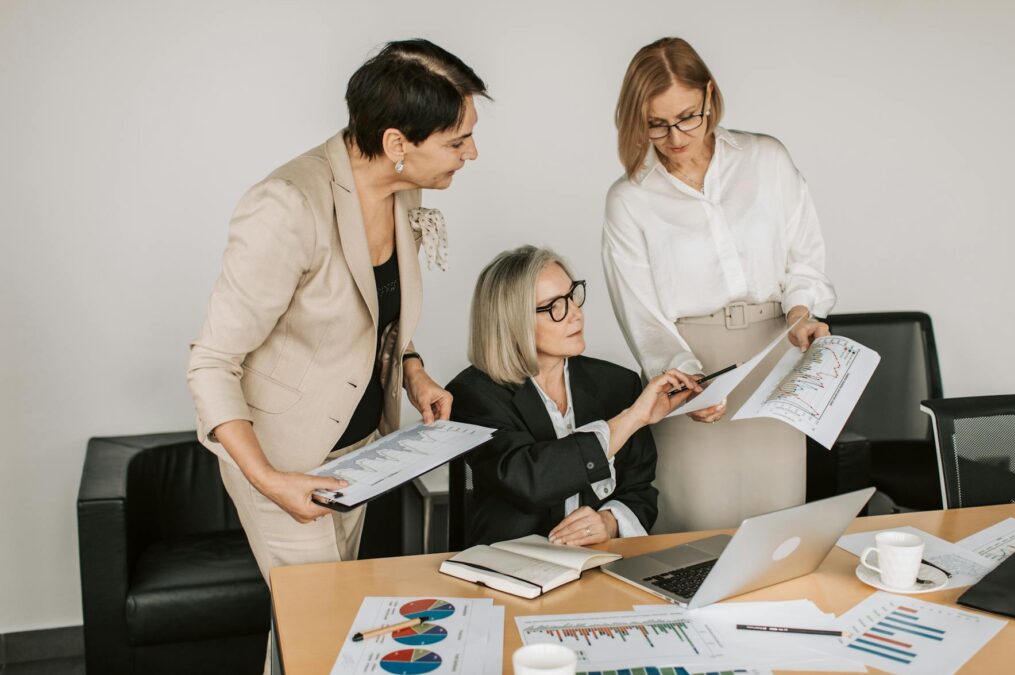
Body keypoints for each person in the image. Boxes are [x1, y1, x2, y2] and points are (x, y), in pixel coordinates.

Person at [186, 39, 486, 650]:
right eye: (457, 141)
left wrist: (413, 369)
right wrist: (271, 479)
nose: (472, 153)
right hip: (285, 462)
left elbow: (373, 313)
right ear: (398, 143)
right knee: (323, 630)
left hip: (358, 455)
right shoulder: (287, 205)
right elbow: (212, 363)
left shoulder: (403, 186)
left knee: (323, 629)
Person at [602, 37, 836, 533]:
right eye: (656, 124)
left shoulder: (766, 159)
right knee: (695, 529)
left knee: (778, 526)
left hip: (777, 354)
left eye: (687, 116)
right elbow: (640, 315)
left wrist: (802, 315)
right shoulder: (630, 199)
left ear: (710, 97)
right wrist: (687, 378)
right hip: (692, 370)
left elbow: (805, 259)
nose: (675, 136)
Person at [446, 245, 700, 546]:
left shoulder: (618, 383)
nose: (575, 314)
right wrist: (632, 419)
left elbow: (640, 490)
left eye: (572, 296)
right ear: (513, 322)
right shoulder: (472, 395)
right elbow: (532, 480)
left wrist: (609, 521)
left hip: (600, 563)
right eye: (554, 306)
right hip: (512, 568)